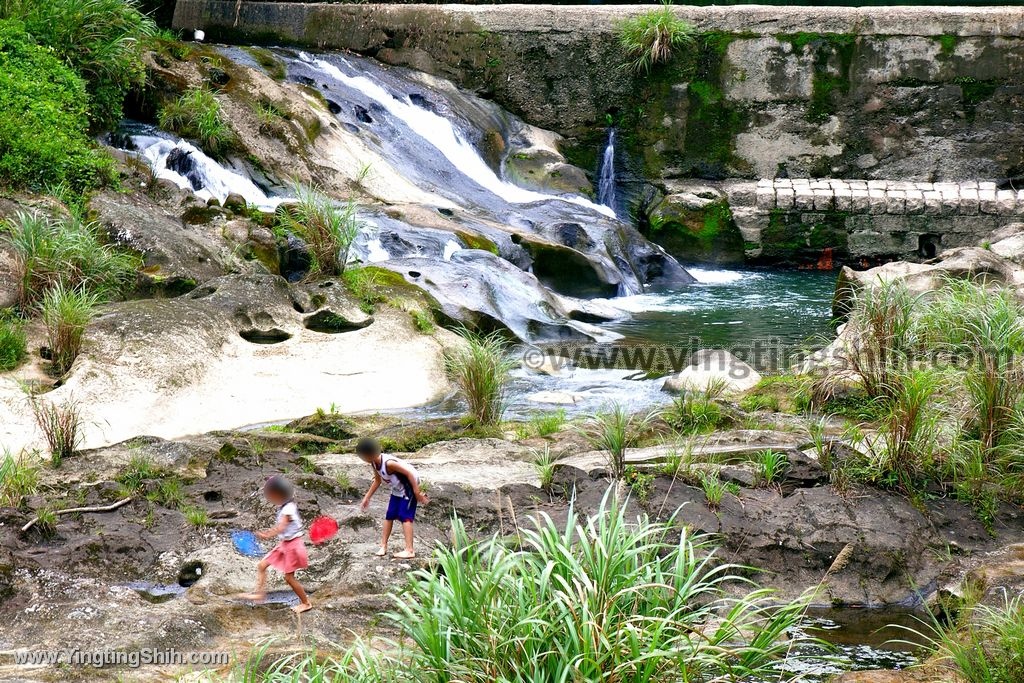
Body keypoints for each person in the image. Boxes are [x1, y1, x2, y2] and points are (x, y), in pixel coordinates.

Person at [239, 475, 312, 613]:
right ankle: (259, 594)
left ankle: (306, 602)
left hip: (293, 546)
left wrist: (266, 534)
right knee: (262, 565)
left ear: (280, 494)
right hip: (285, 544)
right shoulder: (285, 505)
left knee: (289, 578)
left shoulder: (288, 508)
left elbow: (282, 527)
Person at [356, 437, 429, 559]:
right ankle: (383, 546)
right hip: (397, 489)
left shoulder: (389, 463)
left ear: (368, 455)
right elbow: (377, 480)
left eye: (362, 456)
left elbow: (409, 474)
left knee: (405, 517)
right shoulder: (374, 463)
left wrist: (416, 493)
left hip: (409, 487)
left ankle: (410, 550)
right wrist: (367, 497)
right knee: (389, 515)